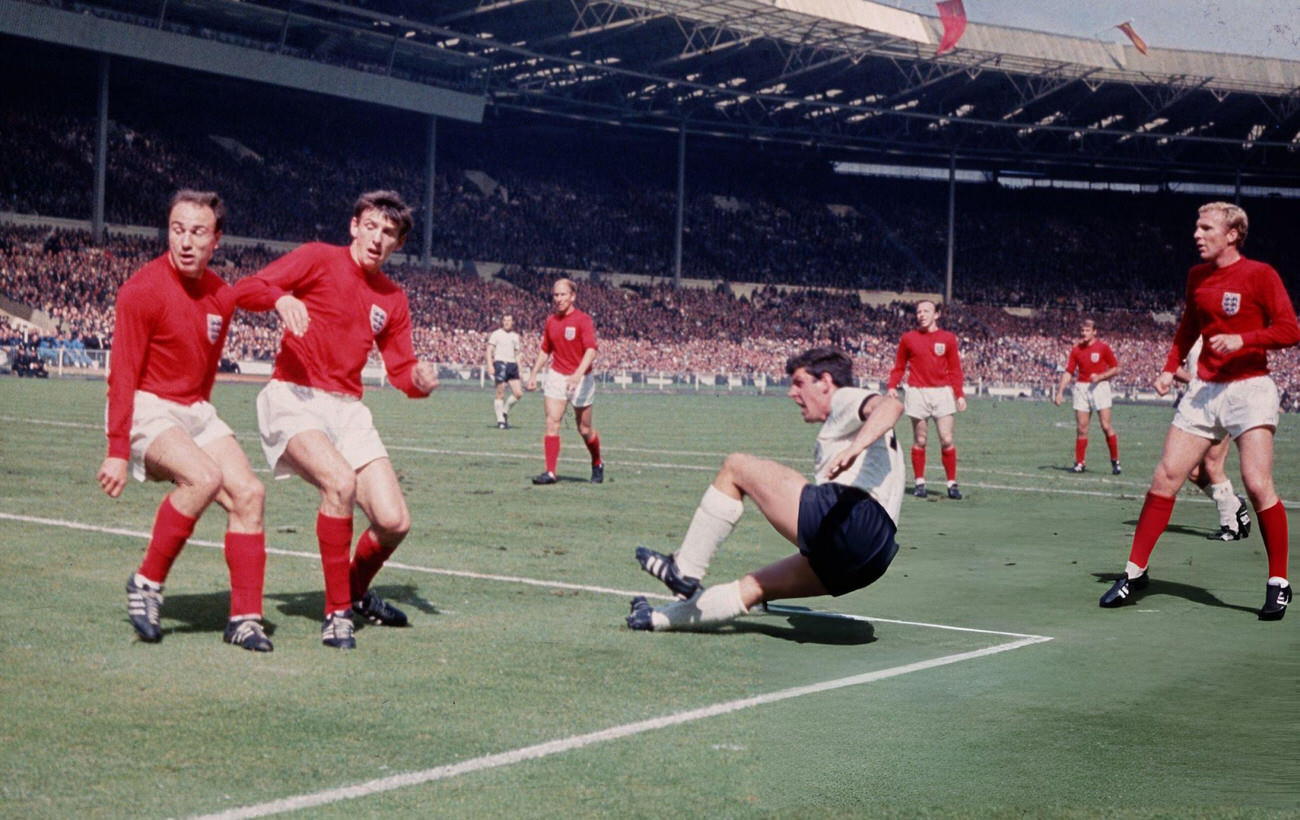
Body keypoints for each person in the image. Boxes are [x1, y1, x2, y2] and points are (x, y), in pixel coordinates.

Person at [233, 190, 439, 649]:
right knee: (340, 485)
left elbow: (401, 371)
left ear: (398, 244)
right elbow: (244, 289)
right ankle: (337, 612)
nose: (377, 237)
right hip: (293, 396)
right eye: (371, 226)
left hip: (347, 409)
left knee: (393, 521)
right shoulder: (316, 258)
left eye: (389, 232)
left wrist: (420, 380)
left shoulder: (393, 298)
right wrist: (279, 300)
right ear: (354, 226)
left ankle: (354, 592)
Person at [1099, 202, 1298, 620]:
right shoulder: (1197, 277)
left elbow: (1290, 329)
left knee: (1257, 482)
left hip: (1250, 388)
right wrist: (1169, 369)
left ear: (1232, 234)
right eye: (1196, 226)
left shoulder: (1261, 275)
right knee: (1167, 474)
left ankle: (1278, 581)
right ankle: (1135, 573)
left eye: (1206, 227)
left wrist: (1244, 340)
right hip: (1205, 390)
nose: (1197, 233)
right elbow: (1189, 327)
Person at [96, 190, 271, 651]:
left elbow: (205, 368)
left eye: (197, 232)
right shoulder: (141, 290)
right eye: (177, 230)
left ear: (216, 239)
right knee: (203, 477)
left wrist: (199, 422)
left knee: (250, 493)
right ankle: (147, 583)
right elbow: (123, 374)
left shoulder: (222, 295)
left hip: (194, 408)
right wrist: (117, 452)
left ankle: (244, 620)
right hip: (147, 406)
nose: (186, 241)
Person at [627, 347, 904, 631]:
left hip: (856, 519)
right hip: (874, 558)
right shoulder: (846, 419)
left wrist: (855, 449)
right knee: (754, 587)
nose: (792, 393)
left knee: (736, 467)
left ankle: (683, 569)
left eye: (799, 382)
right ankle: (655, 618)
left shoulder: (844, 396)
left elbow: (891, 406)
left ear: (825, 381)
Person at [524, 278, 603, 485]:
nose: (558, 299)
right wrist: (533, 374)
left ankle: (597, 462)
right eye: (556, 295)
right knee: (552, 422)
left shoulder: (583, 320)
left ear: (572, 296)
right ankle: (550, 472)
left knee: (584, 429)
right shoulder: (551, 321)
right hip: (557, 376)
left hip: (582, 378)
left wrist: (577, 374)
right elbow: (545, 350)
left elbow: (591, 351)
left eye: (562, 294)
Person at [886, 299, 965, 499]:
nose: (921, 314)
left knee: (946, 439)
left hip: (942, 392)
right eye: (919, 311)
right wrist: (892, 386)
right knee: (920, 440)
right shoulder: (908, 338)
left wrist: (959, 394)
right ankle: (919, 482)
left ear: (936, 314)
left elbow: (955, 368)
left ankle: (952, 484)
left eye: (926, 311)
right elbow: (899, 366)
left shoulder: (948, 338)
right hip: (917, 392)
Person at [1175, 337, 1251, 541]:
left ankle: (1231, 526)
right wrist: (1194, 380)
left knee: (1212, 465)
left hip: (1220, 405)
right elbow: (1174, 367)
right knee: (1192, 472)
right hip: (1196, 409)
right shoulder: (1190, 334)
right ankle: (1233, 503)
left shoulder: (1223, 334)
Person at [1053, 319, 1122, 474]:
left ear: (1094, 331)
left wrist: (1100, 376)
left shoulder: (1103, 348)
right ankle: (1079, 463)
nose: (1084, 333)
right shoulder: (1076, 349)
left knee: (1105, 425)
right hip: (1081, 388)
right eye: (1082, 331)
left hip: (1100, 387)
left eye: (1087, 330)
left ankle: (1115, 461)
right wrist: (1060, 391)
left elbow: (1116, 368)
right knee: (1082, 428)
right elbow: (1069, 372)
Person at [486, 313, 524, 429]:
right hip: (500, 363)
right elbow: (489, 350)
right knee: (500, 393)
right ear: (502, 322)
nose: (507, 322)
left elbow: (517, 354)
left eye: (509, 320)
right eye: (505, 320)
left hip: (512, 365)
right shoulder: (496, 334)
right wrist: (490, 365)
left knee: (518, 393)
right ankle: (500, 421)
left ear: (513, 322)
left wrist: (520, 369)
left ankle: (504, 411)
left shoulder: (515, 336)